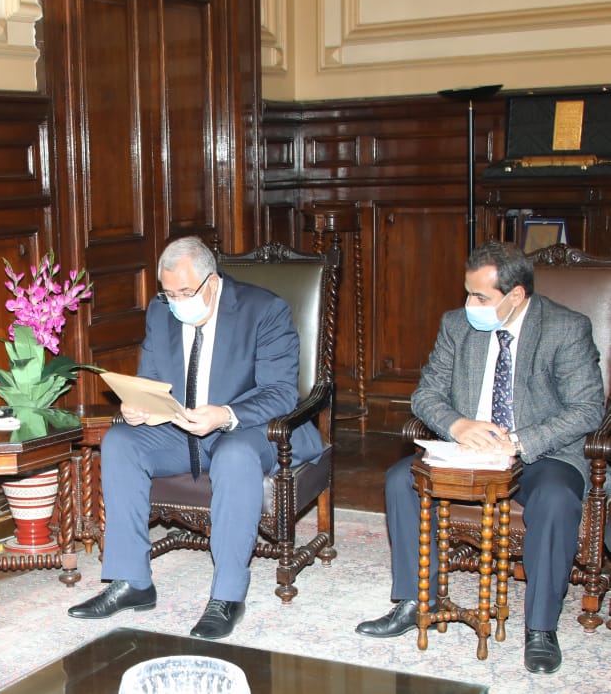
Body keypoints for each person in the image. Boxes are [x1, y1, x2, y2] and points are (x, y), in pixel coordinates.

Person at [355, 241, 604, 675]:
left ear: (516, 295)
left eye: (480, 297)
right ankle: (415, 601)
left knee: (556, 500)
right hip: (468, 450)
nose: (470, 305)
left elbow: (587, 409)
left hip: (541, 453)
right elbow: (426, 395)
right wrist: (458, 425)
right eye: (468, 293)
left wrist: (519, 441)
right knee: (401, 480)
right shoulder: (456, 325)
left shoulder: (566, 328)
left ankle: (541, 628)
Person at [68, 236, 322, 639]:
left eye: (185, 292)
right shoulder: (161, 311)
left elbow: (280, 393)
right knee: (120, 442)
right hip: (181, 429)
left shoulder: (264, 310)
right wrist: (139, 405)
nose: (176, 302)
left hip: (248, 429)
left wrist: (225, 415)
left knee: (234, 455)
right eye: (168, 293)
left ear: (213, 281)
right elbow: (152, 379)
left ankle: (227, 597)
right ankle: (132, 581)